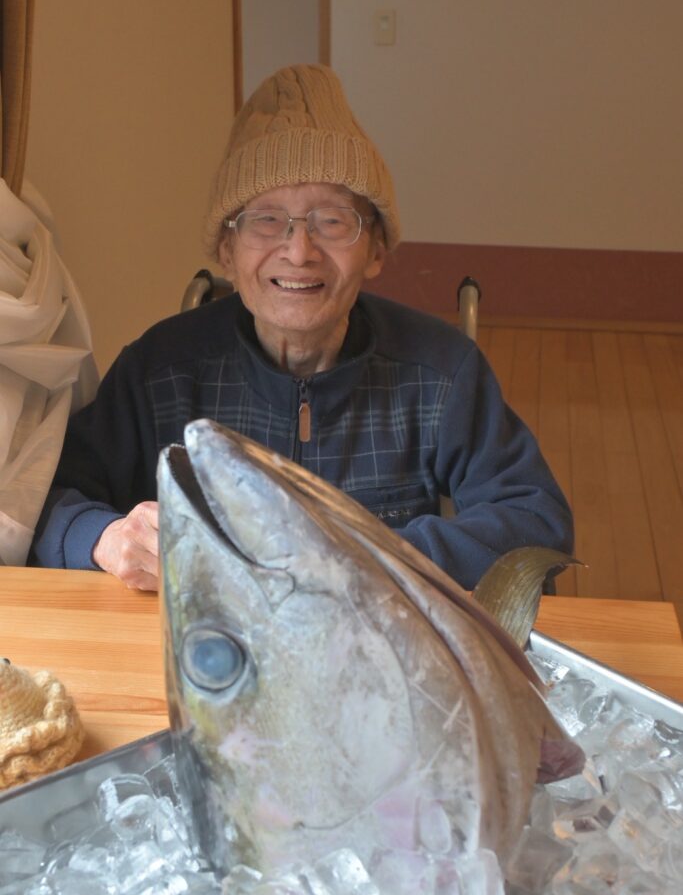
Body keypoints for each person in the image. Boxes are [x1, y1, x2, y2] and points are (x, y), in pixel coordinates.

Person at [32, 63, 573, 591]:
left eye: (332, 221)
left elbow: (535, 521)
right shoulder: (159, 370)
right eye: (267, 220)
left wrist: (370, 558)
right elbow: (43, 498)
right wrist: (105, 538)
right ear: (227, 249)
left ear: (376, 249)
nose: (298, 251)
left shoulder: (441, 371)